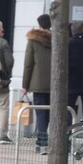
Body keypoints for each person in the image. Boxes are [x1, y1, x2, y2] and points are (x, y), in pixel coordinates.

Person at [22, 13, 52, 155]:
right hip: (54, 84)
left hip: (37, 83)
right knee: (50, 113)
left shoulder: (33, 40)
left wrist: (25, 84)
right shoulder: (58, 38)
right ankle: (43, 142)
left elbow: (28, 64)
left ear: (39, 24)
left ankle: (43, 143)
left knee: (41, 114)